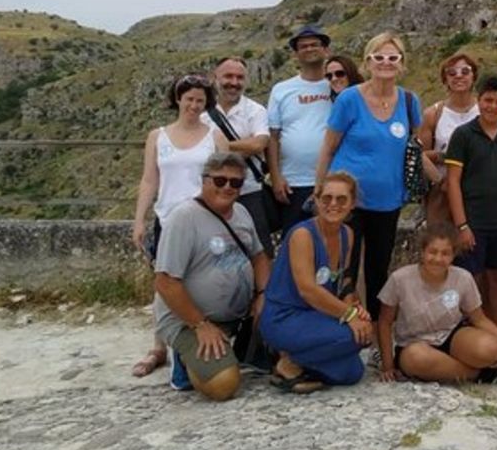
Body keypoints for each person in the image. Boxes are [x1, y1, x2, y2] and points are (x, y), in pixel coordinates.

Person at [316, 32, 436, 331]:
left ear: (402, 63)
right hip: (347, 202)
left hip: (388, 200)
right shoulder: (349, 99)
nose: (385, 63)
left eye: (392, 57)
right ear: (367, 62)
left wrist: (441, 180)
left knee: (378, 269)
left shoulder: (410, 102)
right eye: (378, 57)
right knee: (345, 267)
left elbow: (413, 148)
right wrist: (320, 192)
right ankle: (341, 329)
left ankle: (377, 331)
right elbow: (329, 147)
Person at [129, 74, 229, 378]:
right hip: (169, 219)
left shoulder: (216, 136)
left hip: (205, 219)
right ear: (177, 99)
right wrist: (139, 219)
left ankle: (201, 335)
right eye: (189, 99)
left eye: (200, 100)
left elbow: (226, 180)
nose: (194, 105)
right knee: (165, 282)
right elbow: (149, 179)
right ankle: (159, 345)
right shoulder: (157, 137)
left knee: (202, 281)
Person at [152, 153, 271, 401]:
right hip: (191, 320)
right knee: (223, 385)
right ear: (205, 180)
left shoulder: (241, 213)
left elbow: (259, 257)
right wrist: (200, 324)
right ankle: (186, 362)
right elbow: (165, 281)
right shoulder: (184, 218)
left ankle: (234, 349)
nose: (228, 187)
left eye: (235, 183)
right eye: (220, 181)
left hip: (238, 314)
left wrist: (262, 295)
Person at [444, 74, 497, 365]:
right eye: (487, 100)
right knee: (471, 280)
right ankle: (468, 339)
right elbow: (453, 183)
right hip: (474, 223)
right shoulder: (464, 135)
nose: (492, 106)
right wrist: (462, 226)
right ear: (478, 100)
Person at [260, 171, 372, 393]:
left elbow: (345, 281)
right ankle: (286, 359)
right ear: (317, 200)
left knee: (353, 371)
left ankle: (301, 363)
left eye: (341, 199)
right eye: (326, 198)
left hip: (317, 315)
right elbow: (308, 290)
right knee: (354, 337)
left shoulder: (346, 234)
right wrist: (348, 316)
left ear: (352, 205)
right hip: (286, 316)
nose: (333, 204)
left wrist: (354, 307)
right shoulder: (303, 235)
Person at [377, 223, 497, 384]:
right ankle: (478, 374)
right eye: (432, 252)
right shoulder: (399, 279)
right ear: (422, 252)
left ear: (453, 256)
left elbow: (479, 318)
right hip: (414, 343)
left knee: (490, 348)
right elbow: (385, 322)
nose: (438, 259)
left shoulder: (463, 277)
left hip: (452, 335)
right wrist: (387, 366)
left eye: (445, 254)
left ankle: (448, 369)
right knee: (417, 358)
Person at [203, 57, 273, 254]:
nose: (234, 82)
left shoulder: (255, 110)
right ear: (214, 77)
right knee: (213, 251)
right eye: (228, 76)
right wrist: (243, 146)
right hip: (210, 195)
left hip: (249, 192)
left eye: (240, 77)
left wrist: (215, 148)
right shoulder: (201, 112)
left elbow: (259, 143)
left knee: (260, 251)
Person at [267, 25, 333, 232]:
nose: (309, 49)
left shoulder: (338, 86)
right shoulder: (281, 90)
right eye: (303, 46)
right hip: (293, 183)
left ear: (326, 50)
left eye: (315, 44)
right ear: (296, 54)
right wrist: (276, 176)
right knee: (294, 241)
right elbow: (273, 137)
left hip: (333, 180)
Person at [419, 53, 480, 225]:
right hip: (443, 193)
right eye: (452, 73)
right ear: (445, 79)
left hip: (479, 191)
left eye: (465, 71)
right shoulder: (433, 114)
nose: (459, 76)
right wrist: (440, 179)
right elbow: (421, 155)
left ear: (474, 76)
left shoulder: (486, 111)